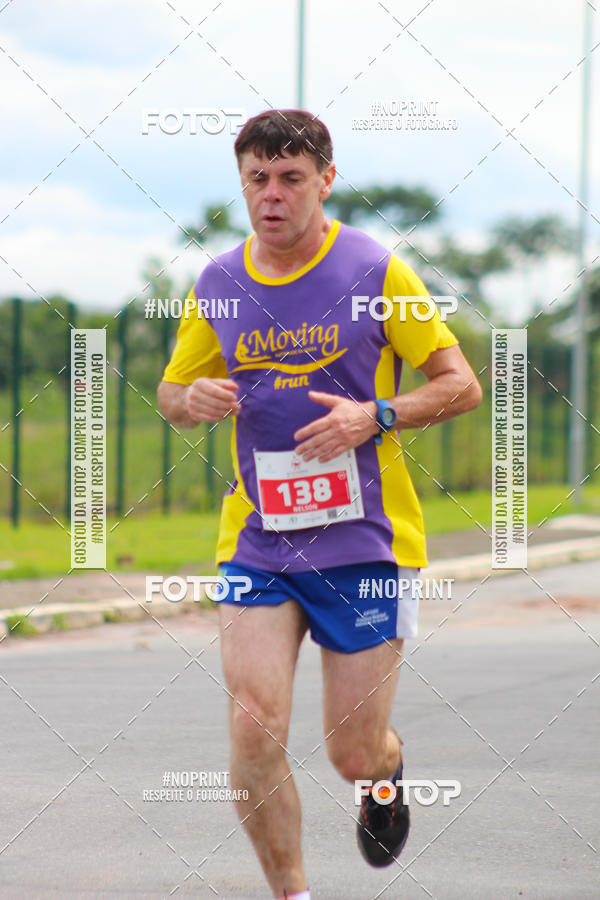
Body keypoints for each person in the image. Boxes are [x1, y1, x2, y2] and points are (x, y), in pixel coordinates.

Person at [158, 109, 482, 900]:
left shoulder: (378, 273)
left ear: (325, 181)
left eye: (290, 179)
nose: (271, 196)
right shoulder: (218, 284)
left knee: (351, 751)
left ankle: (386, 775)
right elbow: (172, 392)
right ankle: (293, 894)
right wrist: (189, 397)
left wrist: (373, 415)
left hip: (364, 544)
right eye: (256, 180)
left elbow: (460, 385)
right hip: (260, 540)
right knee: (253, 723)